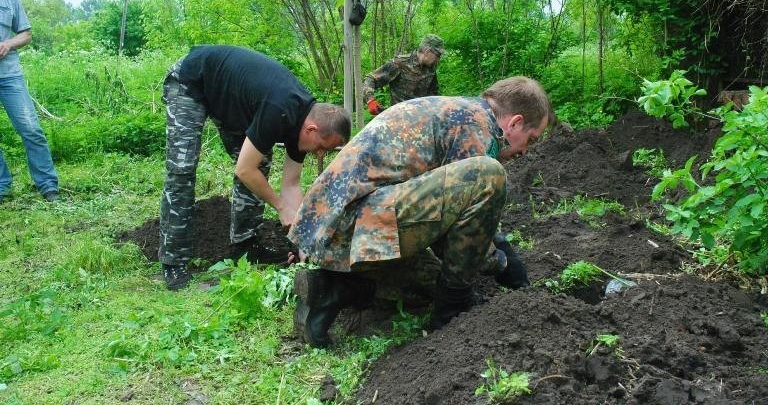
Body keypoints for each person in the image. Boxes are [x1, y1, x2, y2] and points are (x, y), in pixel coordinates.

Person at [288, 76, 554, 347]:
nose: (525, 151)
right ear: (515, 122)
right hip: (354, 225)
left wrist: (496, 248)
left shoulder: (457, 112)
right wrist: (502, 264)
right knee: (488, 175)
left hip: (337, 229)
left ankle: (333, 289)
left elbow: (452, 211)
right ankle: (453, 312)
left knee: (433, 282)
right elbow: (464, 225)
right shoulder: (475, 124)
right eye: (530, 140)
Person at [159, 45, 351, 290]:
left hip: (231, 103)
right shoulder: (279, 110)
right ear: (311, 129)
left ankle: (244, 245)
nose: (322, 154)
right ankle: (173, 261)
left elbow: (290, 185)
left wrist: (301, 243)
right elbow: (244, 170)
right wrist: (280, 207)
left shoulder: (301, 123)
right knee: (182, 170)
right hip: (192, 81)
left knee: (259, 163)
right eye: (324, 146)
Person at [0, 0, 59, 203]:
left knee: (31, 128)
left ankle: (47, 185)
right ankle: (2, 187)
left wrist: (8, 44)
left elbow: (25, 34)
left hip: (9, 75)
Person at [363, 33, 444, 115]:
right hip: (399, 120)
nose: (438, 59)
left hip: (421, 120)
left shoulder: (431, 70)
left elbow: (434, 97)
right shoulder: (400, 63)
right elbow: (370, 78)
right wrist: (370, 101)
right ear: (427, 51)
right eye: (438, 55)